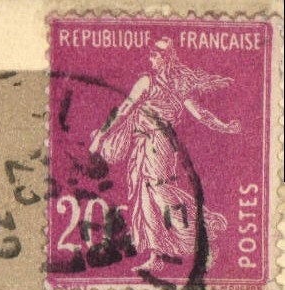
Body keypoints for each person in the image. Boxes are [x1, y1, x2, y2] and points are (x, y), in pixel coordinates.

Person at [89, 37, 239, 275]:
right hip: (143, 145)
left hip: (159, 145)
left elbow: (199, 113)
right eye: (150, 55)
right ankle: (157, 255)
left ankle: (204, 243)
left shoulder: (175, 85)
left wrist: (224, 126)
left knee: (162, 196)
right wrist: (102, 136)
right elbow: (123, 110)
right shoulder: (146, 81)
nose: (152, 59)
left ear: (167, 58)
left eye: (156, 55)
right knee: (144, 198)